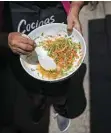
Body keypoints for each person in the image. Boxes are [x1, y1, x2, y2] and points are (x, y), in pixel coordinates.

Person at [1, 1, 87, 133]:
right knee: (29, 83)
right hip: (16, 19)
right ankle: (39, 103)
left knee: (61, 85)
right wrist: (5, 39)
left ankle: (60, 106)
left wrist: (75, 8)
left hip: (56, 12)